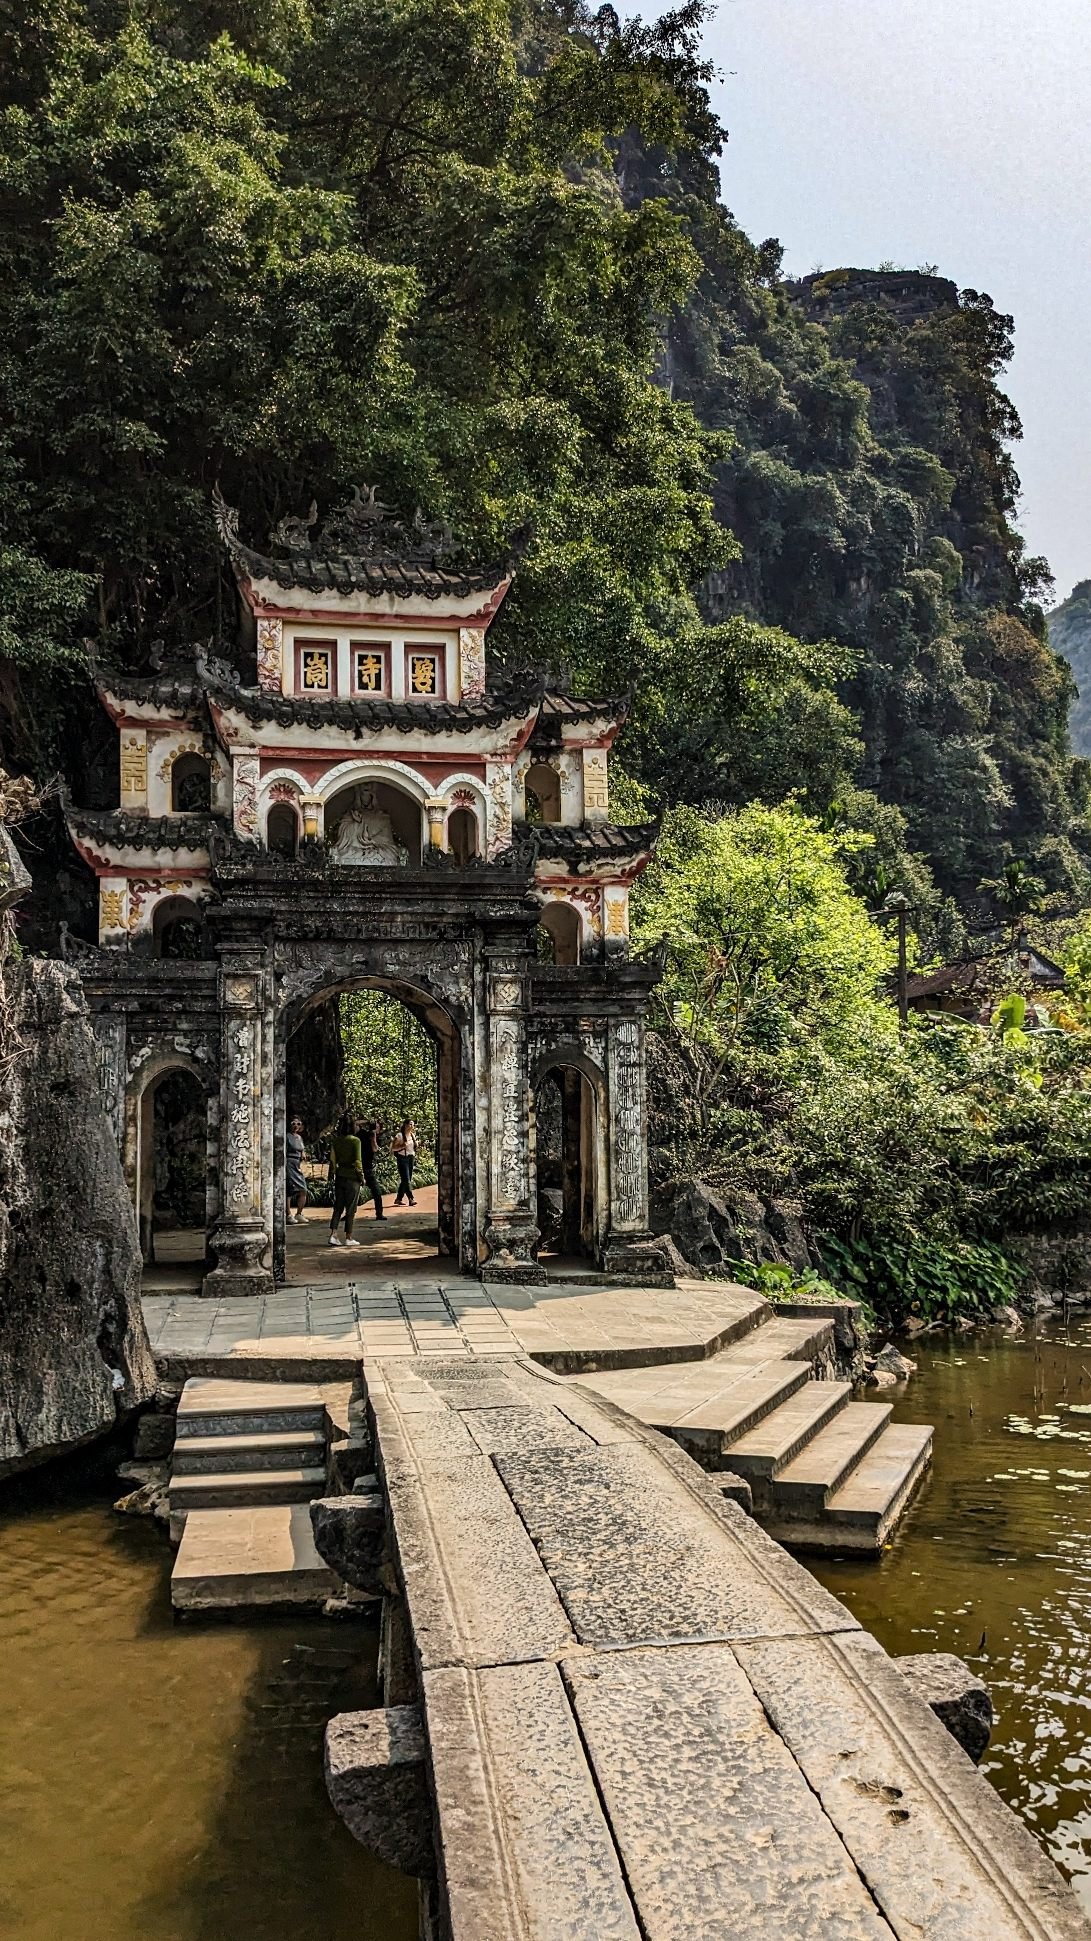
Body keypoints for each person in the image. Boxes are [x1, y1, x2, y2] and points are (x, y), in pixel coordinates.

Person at [327, 1111, 364, 1248]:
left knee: (338, 1207)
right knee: (351, 1208)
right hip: (352, 1177)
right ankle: (349, 1236)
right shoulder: (355, 1141)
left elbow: (332, 1160)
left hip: (340, 1175)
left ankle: (333, 1234)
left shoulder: (336, 1141)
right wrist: (361, 1177)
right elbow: (358, 1162)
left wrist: (332, 1174)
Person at [360, 1117, 386, 1221]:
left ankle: (379, 1214)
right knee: (353, 1193)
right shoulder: (362, 1134)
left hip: (368, 1168)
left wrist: (373, 1136)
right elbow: (355, 1123)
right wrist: (367, 1121)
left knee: (377, 1192)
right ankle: (348, 1214)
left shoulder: (376, 1137)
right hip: (358, 1166)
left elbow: (375, 1149)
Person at [286, 1116, 308, 1225]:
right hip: (289, 1162)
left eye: (298, 1124)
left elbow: (302, 1148)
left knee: (303, 1189)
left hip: (297, 1164)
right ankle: (288, 1214)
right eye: (294, 1123)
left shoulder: (299, 1137)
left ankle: (299, 1213)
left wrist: (303, 1153)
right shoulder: (287, 1136)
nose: (296, 1126)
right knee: (289, 1189)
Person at [392, 1118, 417, 1206]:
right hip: (402, 1158)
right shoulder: (399, 1136)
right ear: (405, 1125)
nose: (412, 1126)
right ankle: (411, 1198)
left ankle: (399, 1198)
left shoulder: (412, 1135)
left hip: (411, 1158)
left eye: (413, 1124)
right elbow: (393, 1148)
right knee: (406, 1179)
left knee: (407, 1179)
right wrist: (402, 1146)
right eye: (410, 1124)